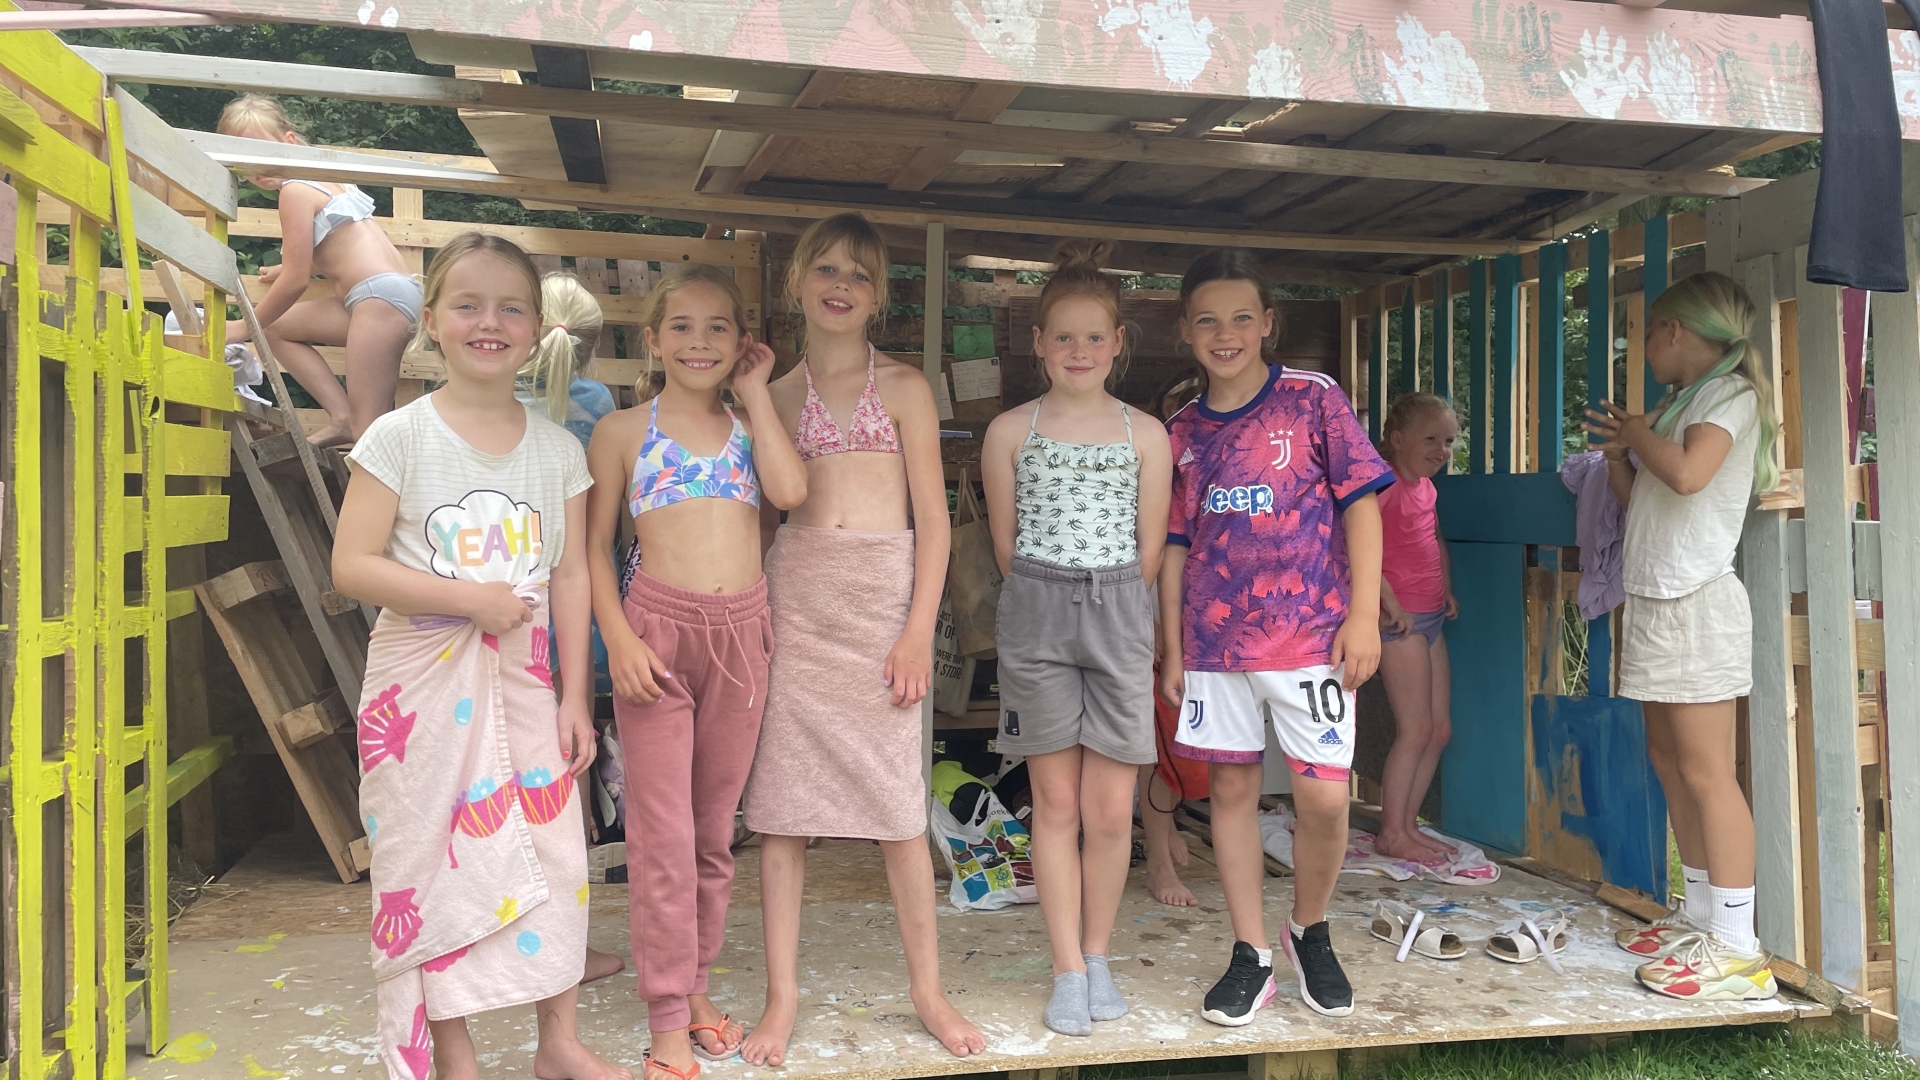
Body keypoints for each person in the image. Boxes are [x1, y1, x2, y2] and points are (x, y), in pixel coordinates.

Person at [332, 232, 627, 1080]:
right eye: (468, 305)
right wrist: (473, 601)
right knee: (429, 858)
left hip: (528, 676)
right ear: (431, 320)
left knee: (555, 850)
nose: (488, 322)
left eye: (510, 307)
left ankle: (558, 1041)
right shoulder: (398, 436)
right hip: (420, 687)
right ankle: (453, 1055)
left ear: (537, 329)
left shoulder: (557, 451)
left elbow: (571, 576)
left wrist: (578, 696)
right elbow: (352, 566)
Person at [738, 213, 985, 1065]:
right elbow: (763, 518)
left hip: (883, 611)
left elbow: (936, 525)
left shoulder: (908, 388)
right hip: (797, 605)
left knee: (897, 816)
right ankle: (781, 998)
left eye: (860, 275)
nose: (840, 285)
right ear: (797, 278)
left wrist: (919, 631)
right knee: (781, 817)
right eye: (826, 268)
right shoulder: (771, 397)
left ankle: (928, 989)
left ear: (879, 298)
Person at [585, 265, 807, 1080]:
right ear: (652, 340)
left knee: (714, 833)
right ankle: (667, 1019)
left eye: (718, 327)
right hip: (656, 635)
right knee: (662, 839)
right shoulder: (621, 431)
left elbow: (790, 490)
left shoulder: (756, 423)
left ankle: (697, 987)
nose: (699, 342)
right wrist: (621, 640)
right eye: (681, 326)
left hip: (743, 636)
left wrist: (757, 395)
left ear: (742, 341)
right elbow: (593, 552)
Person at [1160, 249, 1391, 1024]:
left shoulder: (1312, 398)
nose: (1225, 334)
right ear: (1185, 332)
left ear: (1267, 324)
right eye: (1207, 320)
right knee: (1230, 791)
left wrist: (1362, 615)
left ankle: (1310, 927)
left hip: (1312, 639)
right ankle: (1251, 953)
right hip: (1214, 644)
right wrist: (1171, 645)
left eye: (1240, 318)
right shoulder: (1181, 432)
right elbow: (1175, 546)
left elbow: (1363, 502)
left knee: (1325, 799)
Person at [980, 240, 1173, 1037]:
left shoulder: (1147, 435)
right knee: (1054, 802)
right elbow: (1004, 546)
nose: (1080, 351)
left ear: (1119, 342)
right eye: (1063, 336)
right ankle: (1064, 966)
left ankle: (1098, 955)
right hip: (1038, 611)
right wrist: (1058, 597)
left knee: (1108, 805)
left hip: (1123, 611)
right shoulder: (1008, 431)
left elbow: (1152, 548)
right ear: (1037, 343)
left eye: (1096, 337)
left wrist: (1121, 613)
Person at [1583, 271, 1780, 1002]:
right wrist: (1618, 457)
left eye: (1646, 337)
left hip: (1697, 605)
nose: (1645, 353)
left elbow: (1692, 476)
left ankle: (1737, 945)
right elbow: (1652, 502)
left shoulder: (1731, 396)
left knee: (1707, 774)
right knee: (1670, 762)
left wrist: (1636, 432)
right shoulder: (1680, 404)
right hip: (1659, 601)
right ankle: (1700, 919)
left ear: (1673, 332)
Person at [523, 273, 626, 988]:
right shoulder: (597, 406)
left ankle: (515, 937)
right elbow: (606, 528)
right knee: (572, 771)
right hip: (580, 608)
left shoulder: (496, 406)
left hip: (505, 612)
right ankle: (569, 943)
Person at [218, 94, 418, 447]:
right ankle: (340, 418)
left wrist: (242, 328)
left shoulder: (294, 190)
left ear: (289, 142)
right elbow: (339, 246)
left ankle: (376, 485)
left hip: (378, 299)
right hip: (390, 294)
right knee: (278, 328)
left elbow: (297, 281)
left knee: (369, 432)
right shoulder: (327, 178)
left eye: (263, 152)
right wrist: (285, 267)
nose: (257, 168)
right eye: (244, 161)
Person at [1372, 394, 1460, 864]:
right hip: (1397, 623)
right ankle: (1392, 832)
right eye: (1430, 438)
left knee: (1439, 729)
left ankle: (1408, 825)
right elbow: (1354, 549)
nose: (1441, 449)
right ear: (1398, 439)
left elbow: (1433, 537)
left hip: (1429, 618)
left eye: (1448, 440)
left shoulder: (1426, 488)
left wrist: (1445, 585)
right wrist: (1386, 601)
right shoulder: (1382, 487)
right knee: (1416, 727)